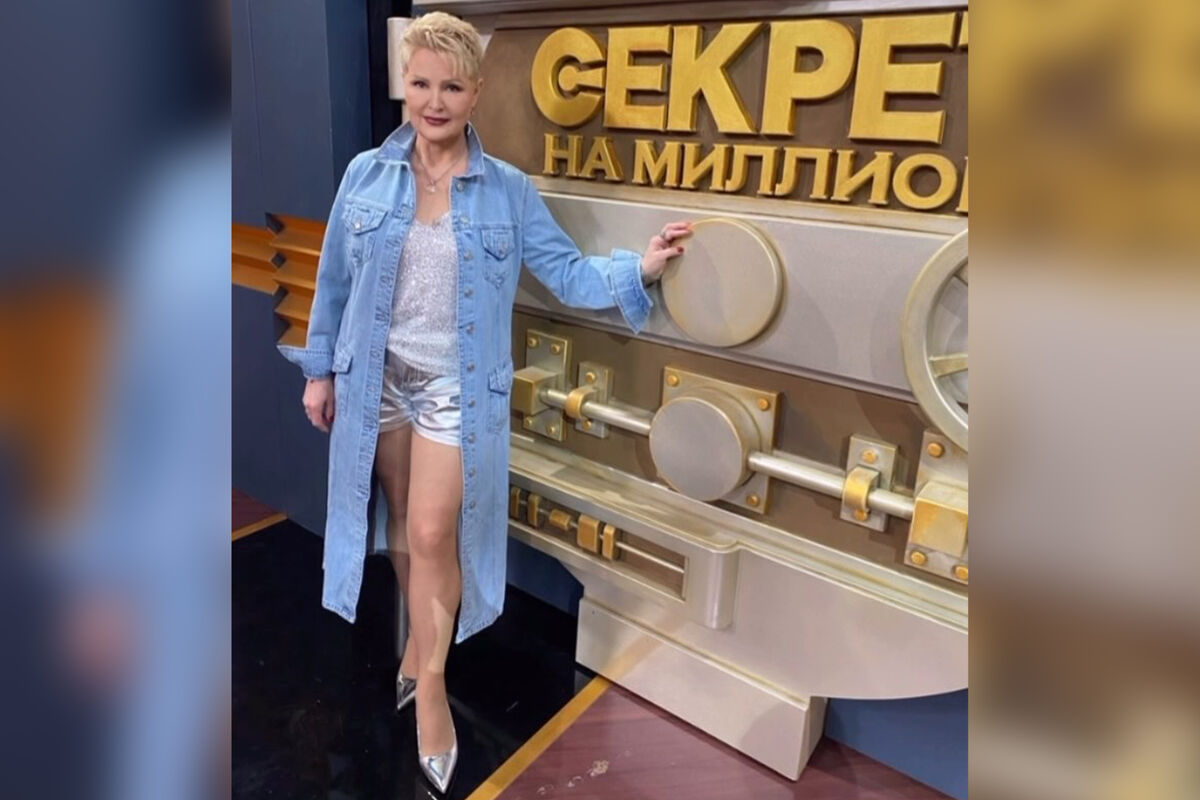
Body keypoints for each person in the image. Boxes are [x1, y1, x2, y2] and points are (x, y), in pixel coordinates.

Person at [277, 11, 690, 793]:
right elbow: (333, 281)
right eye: (421, 83)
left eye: (452, 87)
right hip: (377, 381)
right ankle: (415, 645)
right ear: (405, 85)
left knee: (435, 531)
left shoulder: (507, 192)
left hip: (455, 389)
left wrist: (640, 267)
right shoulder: (365, 175)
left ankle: (432, 688)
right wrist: (319, 370)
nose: (434, 102)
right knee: (405, 524)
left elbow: (567, 275)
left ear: (477, 91)